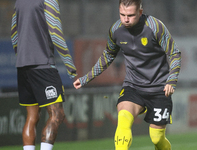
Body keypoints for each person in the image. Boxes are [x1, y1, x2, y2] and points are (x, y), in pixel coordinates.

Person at [73, 0, 181, 149]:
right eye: (122, 14)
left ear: (140, 12)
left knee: (157, 139)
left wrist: (172, 80)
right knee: (123, 119)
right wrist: (86, 78)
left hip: (159, 89)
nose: (125, 19)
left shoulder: (155, 27)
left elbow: (174, 53)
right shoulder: (116, 30)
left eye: (130, 15)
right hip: (133, 86)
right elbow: (108, 56)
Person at [11, 0, 77, 150]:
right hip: (42, 65)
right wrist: (70, 66)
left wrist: (21, 56)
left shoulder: (19, 2)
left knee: (32, 117)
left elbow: (14, 33)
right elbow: (56, 33)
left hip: (22, 66)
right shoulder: (48, 0)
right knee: (57, 114)